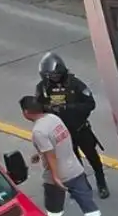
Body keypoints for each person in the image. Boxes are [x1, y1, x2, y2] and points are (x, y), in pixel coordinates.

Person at [21, 95, 109, 216]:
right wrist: (39, 153)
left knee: (54, 208)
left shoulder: (39, 131)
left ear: (26, 112)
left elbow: (51, 155)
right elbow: (59, 142)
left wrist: (55, 176)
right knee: (87, 203)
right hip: (75, 168)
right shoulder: (54, 119)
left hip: (58, 175)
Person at [35, 52, 109, 198]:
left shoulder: (75, 84)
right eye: (49, 75)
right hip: (62, 134)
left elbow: (90, 104)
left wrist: (69, 108)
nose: (52, 78)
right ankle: (83, 188)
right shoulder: (43, 88)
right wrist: (49, 109)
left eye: (54, 75)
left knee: (92, 157)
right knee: (73, 162)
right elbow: (38, 107)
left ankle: (101, 184)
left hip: (80, 129)